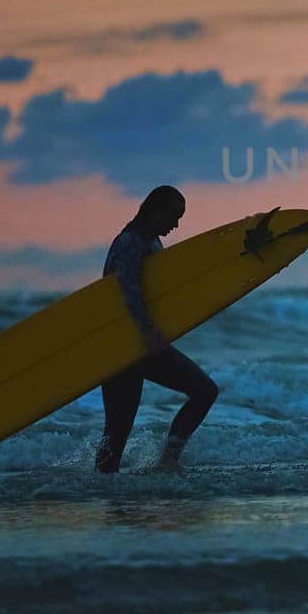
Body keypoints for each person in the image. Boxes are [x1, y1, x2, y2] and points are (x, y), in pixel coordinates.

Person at [94, 185, 219, 473]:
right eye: (174, 216)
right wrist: (149, 331)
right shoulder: (129, 243)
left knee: (203, 391)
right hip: (126, 345)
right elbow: (129, 291)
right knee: (119, 427)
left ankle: (164, 460)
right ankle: (107, 484)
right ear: (155, 210)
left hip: (137, 344)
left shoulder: (151, 243)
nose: (176, 224)